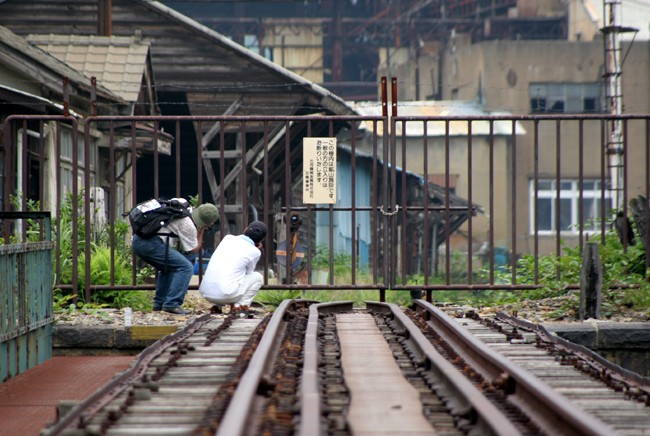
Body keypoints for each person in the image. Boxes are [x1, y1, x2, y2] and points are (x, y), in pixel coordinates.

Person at [132, 201, 219, 314]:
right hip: (151, 244)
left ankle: (159, 304)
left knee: (168, 268)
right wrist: (202, 229)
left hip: (139, 240)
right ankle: (172, 304)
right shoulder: (188, 224)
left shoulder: (181, 207)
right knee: (185, 267)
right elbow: (193, 249)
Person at [199, 220, 267, 314]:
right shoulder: (255, 252)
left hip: (206, 292)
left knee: (227, 270)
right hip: (226, 294)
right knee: (257, 277)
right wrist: (256, 249)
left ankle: (217, 306)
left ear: (245, 230)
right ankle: (240, 307)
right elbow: (249, 272)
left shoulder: (227, 238)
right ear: (261, 240)